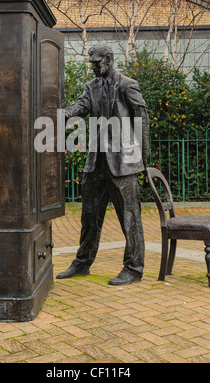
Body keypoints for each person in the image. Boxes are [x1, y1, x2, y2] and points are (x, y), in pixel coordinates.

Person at [57, 43, 150, 285]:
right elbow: (81, 106)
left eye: (96, 62)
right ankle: (82, 262)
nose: (93, 67)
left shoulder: (127, 85)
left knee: (130, 217)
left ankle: (134, 268)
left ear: (108, 59)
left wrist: (142, 158)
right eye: (91, 63)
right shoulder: (91, 86)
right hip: (96, 162)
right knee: (89, 216)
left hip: (123, 164)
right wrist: (63, 113)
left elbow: (143, 120)